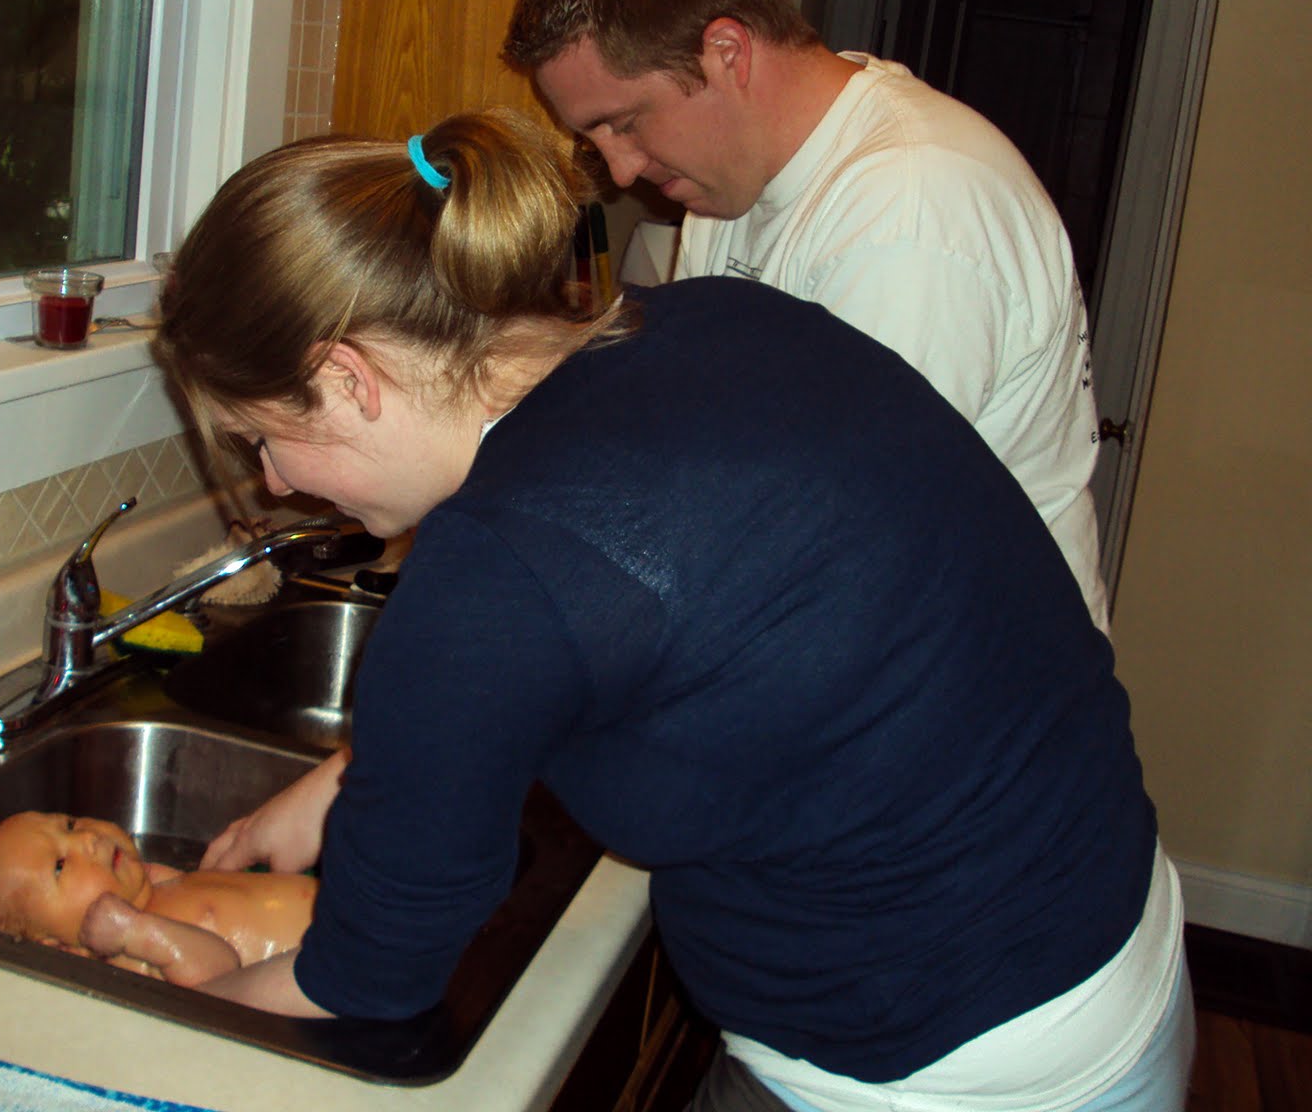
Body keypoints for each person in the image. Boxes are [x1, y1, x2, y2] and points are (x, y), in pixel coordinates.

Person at [152, 108, 1190, 1110]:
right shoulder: (717, 321)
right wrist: (357, 774)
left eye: (262, 437)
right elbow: (659, 622)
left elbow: (364, 980)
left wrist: (163, 997)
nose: (277, 481)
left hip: (943, 1052)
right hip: (1109, 933)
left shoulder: (493, 569)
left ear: (347, 377)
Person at [502, 0, 1111, 633]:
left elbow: (834, 543)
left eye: (624, 123)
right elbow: (706, 446)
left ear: (727, 53)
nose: (621, 170)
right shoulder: (730, 189)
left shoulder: (909, 214)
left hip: (967, 675)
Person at [0, 810, 316, 990]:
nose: (88, 839)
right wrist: (135, 932)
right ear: (61, 948)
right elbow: (222, 977)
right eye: (60, 865)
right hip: (332, 969)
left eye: (70, 824)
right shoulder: (129, 959)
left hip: (340, 914)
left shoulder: (153, 886)